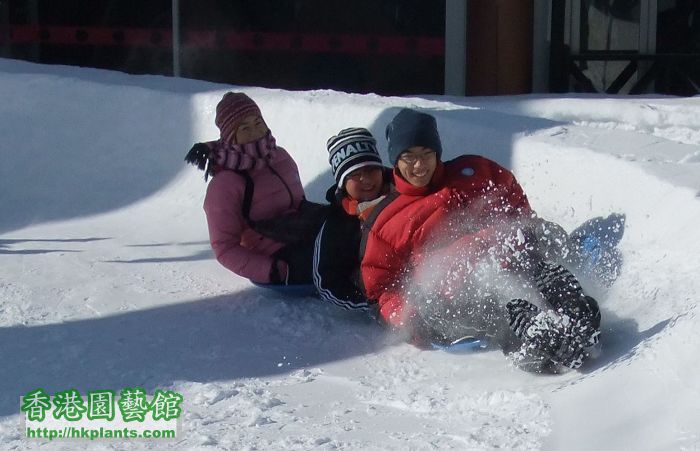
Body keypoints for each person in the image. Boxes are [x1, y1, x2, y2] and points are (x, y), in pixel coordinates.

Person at [359, 108, 601, 372]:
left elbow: (513, 199)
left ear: (437, 151)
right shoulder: (386, 221)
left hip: (509, 255)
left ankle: (574, 313)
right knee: (490, 305)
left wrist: (524, 230)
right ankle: (530, 338)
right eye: (409, 157)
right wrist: (408, 316)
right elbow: (381, 288)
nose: (419, 165)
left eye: (426, 154)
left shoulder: (472, 171)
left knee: (538, 243)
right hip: (456, 291)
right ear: (395, 159)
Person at [184, 92, 314, 285]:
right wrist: (272, 270)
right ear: (231, 136)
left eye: (258, 123)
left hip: (303, 234)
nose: (255, 132)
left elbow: (300, 204)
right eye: (244, 128)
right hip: (276, 254)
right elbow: (225, 247)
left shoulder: (280, 157)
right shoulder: (225, 184)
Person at [312, 127, 393, 312]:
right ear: (342, 182)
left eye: (372, 169)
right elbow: (326, 281)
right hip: (376, 291)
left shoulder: (402, 195)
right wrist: (367, 304)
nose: (366, 179)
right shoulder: (338, 223)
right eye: (356, 174)